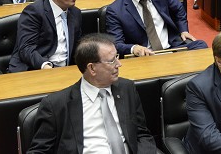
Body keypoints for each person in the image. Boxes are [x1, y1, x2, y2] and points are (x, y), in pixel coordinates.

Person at [27, 33, 157, 153]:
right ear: (92, 68)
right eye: (112, 61)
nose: (119, 64)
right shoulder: (56, 105)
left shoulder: (127, 89)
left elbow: (142, 134)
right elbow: (39, 151)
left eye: (117, 57)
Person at [8, 0, 83, 72]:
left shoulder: (75, 13)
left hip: (65, 71)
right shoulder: (34, 12)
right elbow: (26, 48)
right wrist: (46, 66)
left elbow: (77, 46)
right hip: (36, 69)